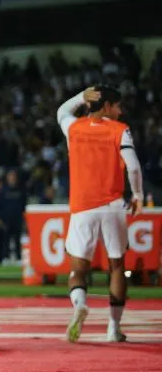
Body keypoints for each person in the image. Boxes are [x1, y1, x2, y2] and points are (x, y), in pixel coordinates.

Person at [57, 85, 142, 343]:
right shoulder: (120, 130)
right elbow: (134, 167)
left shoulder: (74, 128)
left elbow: (61, 111)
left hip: (82, 207)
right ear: (106, 106)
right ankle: (113, 328)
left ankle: (80, 304)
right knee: (117, 266)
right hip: (113, 205)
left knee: (78, 268)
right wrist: (137, 195)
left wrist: (79, 97)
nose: (120, 110)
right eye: (117, 105)